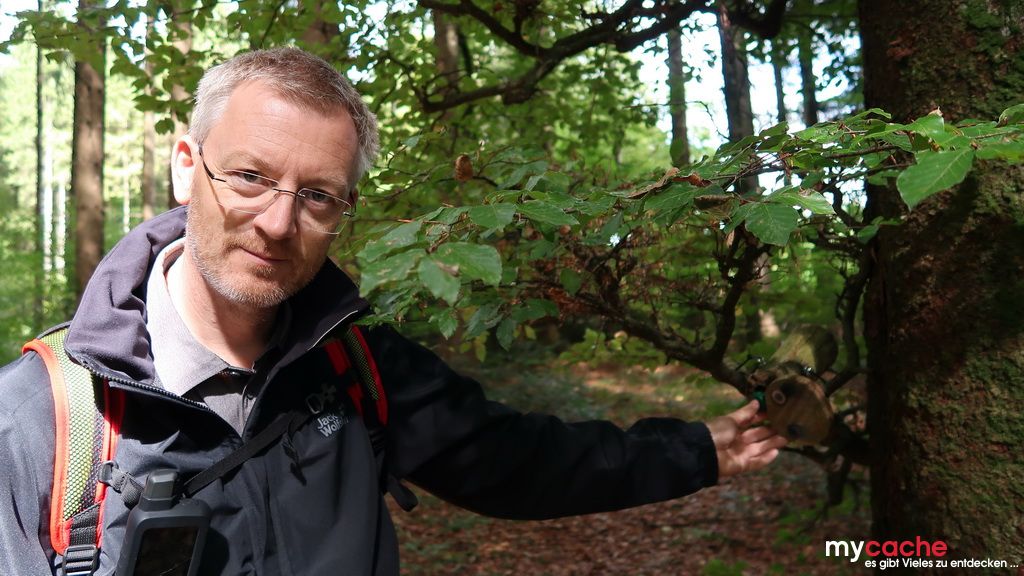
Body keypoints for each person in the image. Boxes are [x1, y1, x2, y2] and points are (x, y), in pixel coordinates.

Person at [0, 47, 787, 575]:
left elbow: (521, 462)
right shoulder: (41, 420)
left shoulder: (356, 363)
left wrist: (701, 449)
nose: (278, 222)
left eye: (317, 195)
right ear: (186, 166)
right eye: (249, 177)